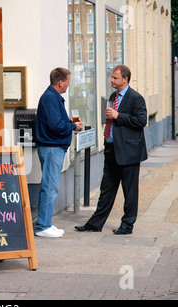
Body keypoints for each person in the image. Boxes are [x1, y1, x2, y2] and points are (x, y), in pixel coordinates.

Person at [75, 65, 147, 235]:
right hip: (112, 149)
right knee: (106, 189)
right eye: (111, 77)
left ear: (125, 79)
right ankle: (95, 223)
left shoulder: (136, 98)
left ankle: (127, 225)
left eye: (115, 78)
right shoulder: (113, 96)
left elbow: (141, 120)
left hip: (129, 152)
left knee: (129, 192)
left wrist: (118, 116)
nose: (112, 80)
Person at [35, 67, 83, 238]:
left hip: (53, 147)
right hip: (51, 148)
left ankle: (46, 223)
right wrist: (73, 126)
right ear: (60, 82)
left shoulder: (52, 97)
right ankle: (42, 226)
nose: (69, 85)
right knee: (50, 187)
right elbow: (55, 126)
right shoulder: (50, 98)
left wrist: (68, 123)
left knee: (51, 186)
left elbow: (55, 122)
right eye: (68, 81)